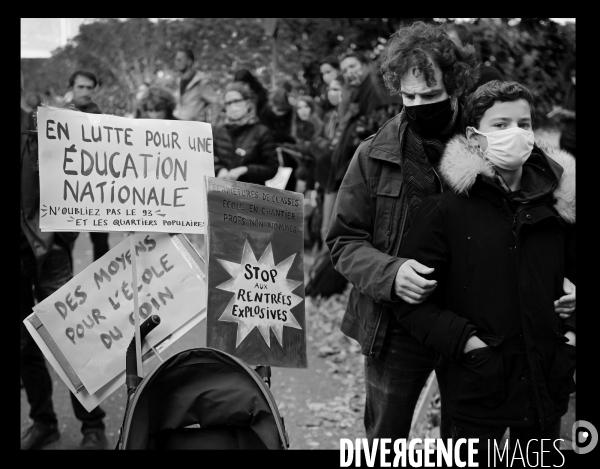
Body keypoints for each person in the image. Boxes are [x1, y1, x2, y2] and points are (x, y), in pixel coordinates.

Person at [326, 21, 575, 442]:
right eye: (409, 97)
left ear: (456, 87)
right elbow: (343, 239)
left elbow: (534, 211)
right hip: (396, 323)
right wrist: (390, 273)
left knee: (465, 437)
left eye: (432, 95)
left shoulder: (487, 141)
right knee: (387, 438)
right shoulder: (373, 154)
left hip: (474, 322)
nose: (420, 104)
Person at [395, 80, 576, 451]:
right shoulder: (444, 212)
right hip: (477, 396)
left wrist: (571, 334)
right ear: (474, 138)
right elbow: (411, 303)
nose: (515, 133)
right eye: (500, 124)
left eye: (523, 124)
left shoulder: (559, 208)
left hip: (545, 390)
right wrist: (469, 345)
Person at [21, 74, 108, 450]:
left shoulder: (45, 124)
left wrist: (61, 239)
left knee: (71, 336)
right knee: (25, 345)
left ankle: (93, 426)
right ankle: (44, 422)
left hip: (50, 249)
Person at [67, 71, 109, 263]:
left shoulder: (105, 119)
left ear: (95, 90)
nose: (85, 91)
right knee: (64, 241)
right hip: (68, 189)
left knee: (100, 240)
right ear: (71, 88)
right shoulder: (57, 118)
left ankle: (102, 285)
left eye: (89, 87)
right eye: (80, 87)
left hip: (97, 187)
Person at [212, 81, 278, 186]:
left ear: (247, 102)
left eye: (237, 101)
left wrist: (246, 170)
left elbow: (271, 169)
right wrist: (219, 170)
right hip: (221, 193)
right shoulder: (218, 131)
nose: (233, 106)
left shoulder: (261, 132)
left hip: (251, 196)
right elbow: (210, 160)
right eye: (228, 103)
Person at [445, 22, 505, 89]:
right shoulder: (445, 79)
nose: (445, 49)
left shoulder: (488, 75)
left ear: (468, 46)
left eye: (450, 43)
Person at [172, 48, 219, 124]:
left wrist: (212, 125)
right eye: (176, 60)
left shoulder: (201, 81)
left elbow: (216, 102)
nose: (176, 63)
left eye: (179, 60)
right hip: (180, 124)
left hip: (195, 128)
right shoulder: (179, 81)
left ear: (189, 62)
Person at [548, 59, 576, 157]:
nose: (574, 78)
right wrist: (560, 110)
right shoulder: (571, 89)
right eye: (572, 75)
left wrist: (570, 114)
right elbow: (567, 105)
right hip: (568, 135)